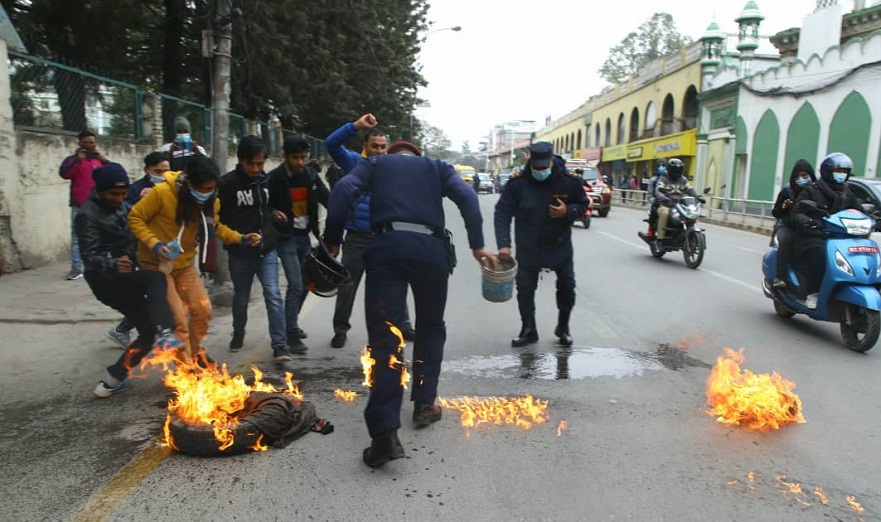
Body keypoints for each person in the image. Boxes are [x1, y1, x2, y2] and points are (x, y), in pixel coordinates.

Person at [324, 152, 497, 468]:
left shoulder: (376, 164)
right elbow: (468, 198)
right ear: (417, 153)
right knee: (430, 327)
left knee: (386, 339)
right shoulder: (437, 167)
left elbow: (344, 189)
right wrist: (477, 244)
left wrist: (332, 238)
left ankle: (384, 435)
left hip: (387, 251)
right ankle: (424, 404)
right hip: (432, 254)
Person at [74, 163, 182, 397]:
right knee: (155, 280)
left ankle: (111, 381)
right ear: (100, 190)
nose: (119, 198)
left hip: (127, 276)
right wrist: (112, 263)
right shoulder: (87, 215)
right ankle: (166, 332)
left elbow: (137, 233)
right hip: (106, 282)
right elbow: (88, 255)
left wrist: (160, 248)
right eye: (114, 193)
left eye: (123, 193)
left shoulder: (124, 206)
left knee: (146, 331)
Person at [324, 113, 415, 349]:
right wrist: (355, 126)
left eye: (383, 147)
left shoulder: (391, 168)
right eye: (374, 146)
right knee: (348, 287)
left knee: (396, 282)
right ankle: (340, 330)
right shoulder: (354, 162)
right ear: (365, 146)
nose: (379, 151)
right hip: (356, 239)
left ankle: (403, 325)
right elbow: (330, 144)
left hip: (385, 237)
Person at [494, 142, 590, 348]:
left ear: (552, 161)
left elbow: (583, 204)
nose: (539, 171)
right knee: (525, 288)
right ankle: (529, 329)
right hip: (529, 247)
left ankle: (563, 328)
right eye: (536, 167)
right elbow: (502, 214)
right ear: (529, 161)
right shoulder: (517, 185)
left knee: (567, 286)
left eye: (543, 167)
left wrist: (568, 211)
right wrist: (504, 245)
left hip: (560, 245)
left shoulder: (569, 182)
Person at [128, 155, 219, 365]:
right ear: (188, 182)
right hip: (156, 266)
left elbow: (216, 226)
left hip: (184, 264)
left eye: (210, 189)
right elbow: (135, 217)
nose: (206, 194)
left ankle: (195, 355)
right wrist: (155, 244)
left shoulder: (211, 201)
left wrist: (240, 238)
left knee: (202, 311)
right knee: (179, 321)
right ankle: (186, 370)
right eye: (202, 189)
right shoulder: (161, 193)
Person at [214, 136, 290, 362]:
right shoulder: (226, 185)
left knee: (273, 295)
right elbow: (217, 220)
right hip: (240, 253)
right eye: (252, 164)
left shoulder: (265, 182)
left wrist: (274, 213)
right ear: (241, 161)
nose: (257, 169)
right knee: (241, 296)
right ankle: (238, 333)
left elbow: (269, 204)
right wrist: (239, 239)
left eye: (261, 164)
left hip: (266, 249)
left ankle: (280, 345)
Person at [104, 151, 173, 349]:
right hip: (138, 250)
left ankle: (125, 330)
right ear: (147, 170)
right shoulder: (135, 190)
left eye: (166, 171)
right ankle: (128, 331)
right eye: (157, 171)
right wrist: (139, 202)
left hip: (164, 251)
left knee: (162, 295)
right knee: (154, 296)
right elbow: (126, 216)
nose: (162, 175)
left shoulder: (172, 188)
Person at [268, 136, 330, 354]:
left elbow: (327, 198)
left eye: (303, 157)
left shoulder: (311, 175)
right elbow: (264, 207)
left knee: (305, 283)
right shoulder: (274, 179)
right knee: (295, 283)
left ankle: (290, 324)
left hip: (305, 237)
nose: (300, 162)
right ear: (286, 157)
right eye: (295, 158)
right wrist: (273, 215)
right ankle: (291, 333)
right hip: (285, 238)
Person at [791, 153, 861, 304]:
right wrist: (808, 221)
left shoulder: (847, 193)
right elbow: (797, 212)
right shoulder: (812, 189)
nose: (842, 175)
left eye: (844, 172)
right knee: (820, 255)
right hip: (813, 236)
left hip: (840, 238)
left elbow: (859, 210)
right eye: (838, 171)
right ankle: (813, 292)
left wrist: (873, 218)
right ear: (827, 171)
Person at [59, 130, 109, 280]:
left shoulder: (99, 160)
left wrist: (105, 161)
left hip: (99, 204)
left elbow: (112, 174)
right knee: (77, 236)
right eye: (86, 142)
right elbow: (64, 174)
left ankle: (102, 264)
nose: (89, 145)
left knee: (103, 234)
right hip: (79, 204)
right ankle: (76, 267)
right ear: (80, 143)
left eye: (92, 142)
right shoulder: (72, 160)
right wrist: (77, 161)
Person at [770, 160, 815, 289]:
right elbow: (776, 213)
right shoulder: (788, 191)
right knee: (787, 240)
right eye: (798, 176)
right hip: (788, 226)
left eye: (805, 176)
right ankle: (780, 276)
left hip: (810, 226)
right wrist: (784, 207)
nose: (801, 179)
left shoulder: (816, 191)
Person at [654, 158, 705, 240]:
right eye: (674, 169)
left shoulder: (683, 179)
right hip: (667, 204)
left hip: (680, 204)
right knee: (664, 213)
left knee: (689, 215)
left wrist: (698, 196)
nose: (677, 171)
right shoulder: (663, 178)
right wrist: (664, 198)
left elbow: (689, 189)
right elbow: (658, 189)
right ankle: (660, 238)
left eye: (679, 169)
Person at [644, 160, 668, 238]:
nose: (661, 167)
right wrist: (654, 200)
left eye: (663, 165)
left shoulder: (670, 178)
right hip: (658, 201)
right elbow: (649, 194)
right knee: (654, 211)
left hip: (670, 202)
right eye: (659, 165)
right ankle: (651, 230)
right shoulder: (653, 180)